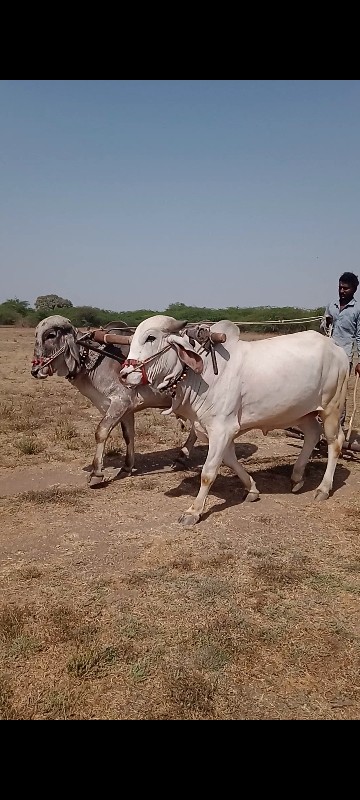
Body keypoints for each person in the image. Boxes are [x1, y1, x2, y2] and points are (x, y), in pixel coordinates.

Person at [287, 272, 360, 447]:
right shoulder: (331, 306)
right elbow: (324, 328)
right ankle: (317, 426)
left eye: (345, 288)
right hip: (326, 356)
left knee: (338, 394)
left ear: (354, 289)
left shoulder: (357, 309)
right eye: (340, 287)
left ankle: (335, 429)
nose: (341, 291)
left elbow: (359, 336)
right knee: (319, 391)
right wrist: (325, 322)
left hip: (344, 357)